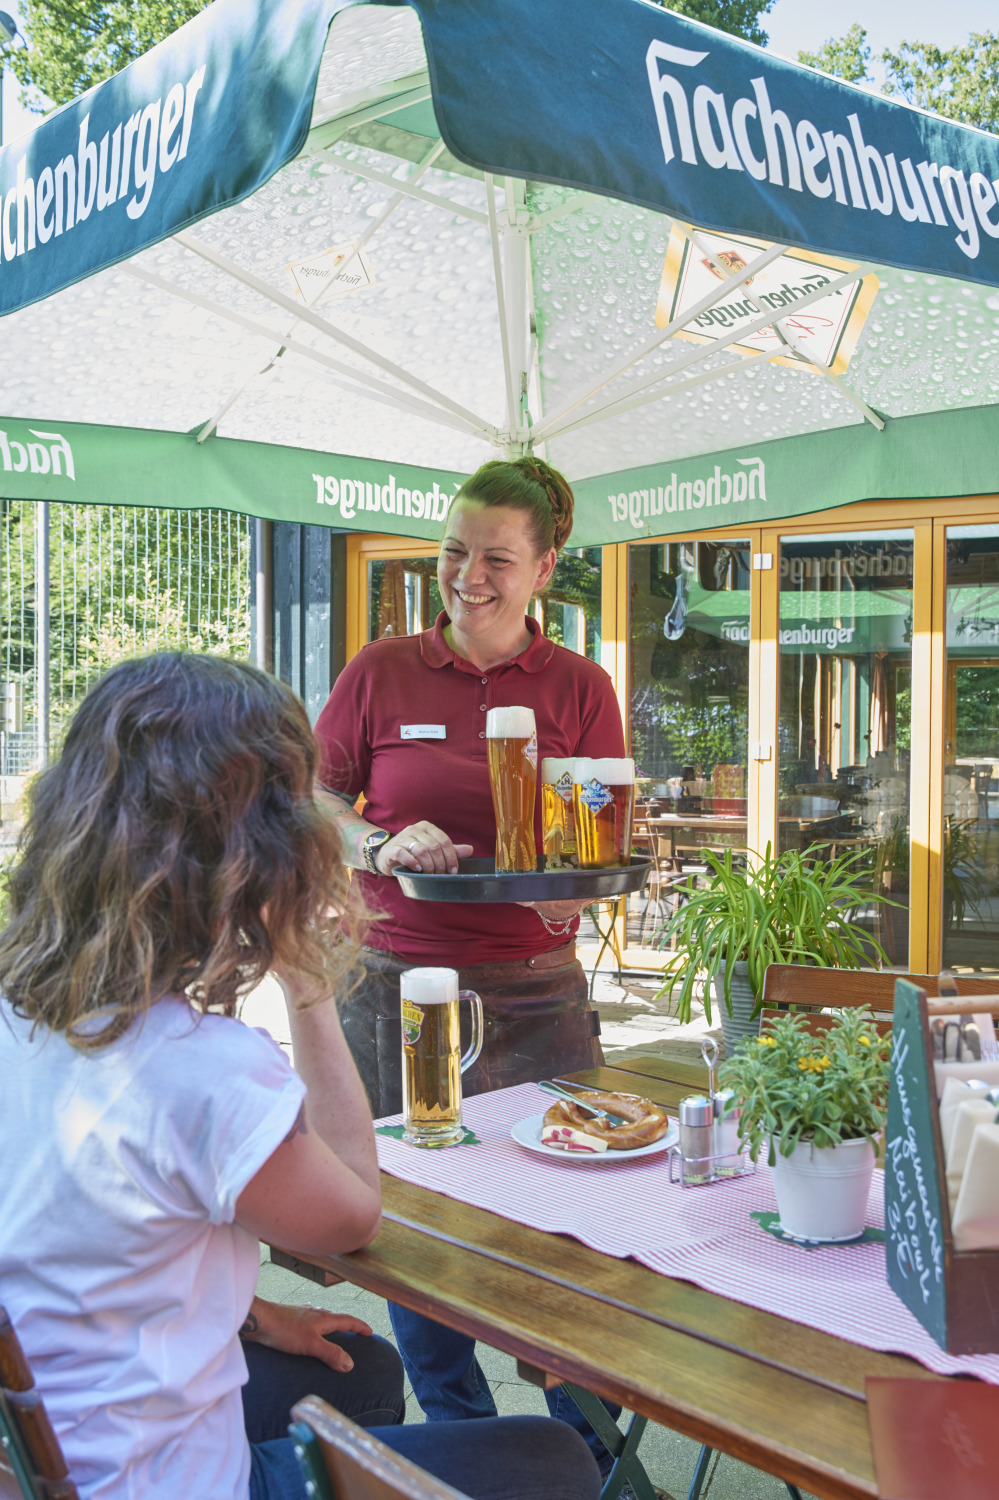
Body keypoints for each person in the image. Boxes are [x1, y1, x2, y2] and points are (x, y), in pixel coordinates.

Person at [0, 652, 601, 1500]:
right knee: (552, 1458)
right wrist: (308, 984)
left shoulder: (21, 1016)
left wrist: (249, 1316)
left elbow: (69, 1238)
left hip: (49, 1442)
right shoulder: (199, 1068)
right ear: (258, 850)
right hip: (159, 1482)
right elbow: (352, 1216)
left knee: (358, 1368)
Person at [314, 458, 626, 1472]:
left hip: (536, 990)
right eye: (454, 551)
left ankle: (580, 1446)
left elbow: (606, 825)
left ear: (543, 567)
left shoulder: (580, 686)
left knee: (563, 1224)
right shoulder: (379, 669)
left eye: (496, 557)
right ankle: (458, 1441)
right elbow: (305, 798)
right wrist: (375, 845)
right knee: (414, 1223)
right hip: (395, 980)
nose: (468, 575)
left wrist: (574, 878)